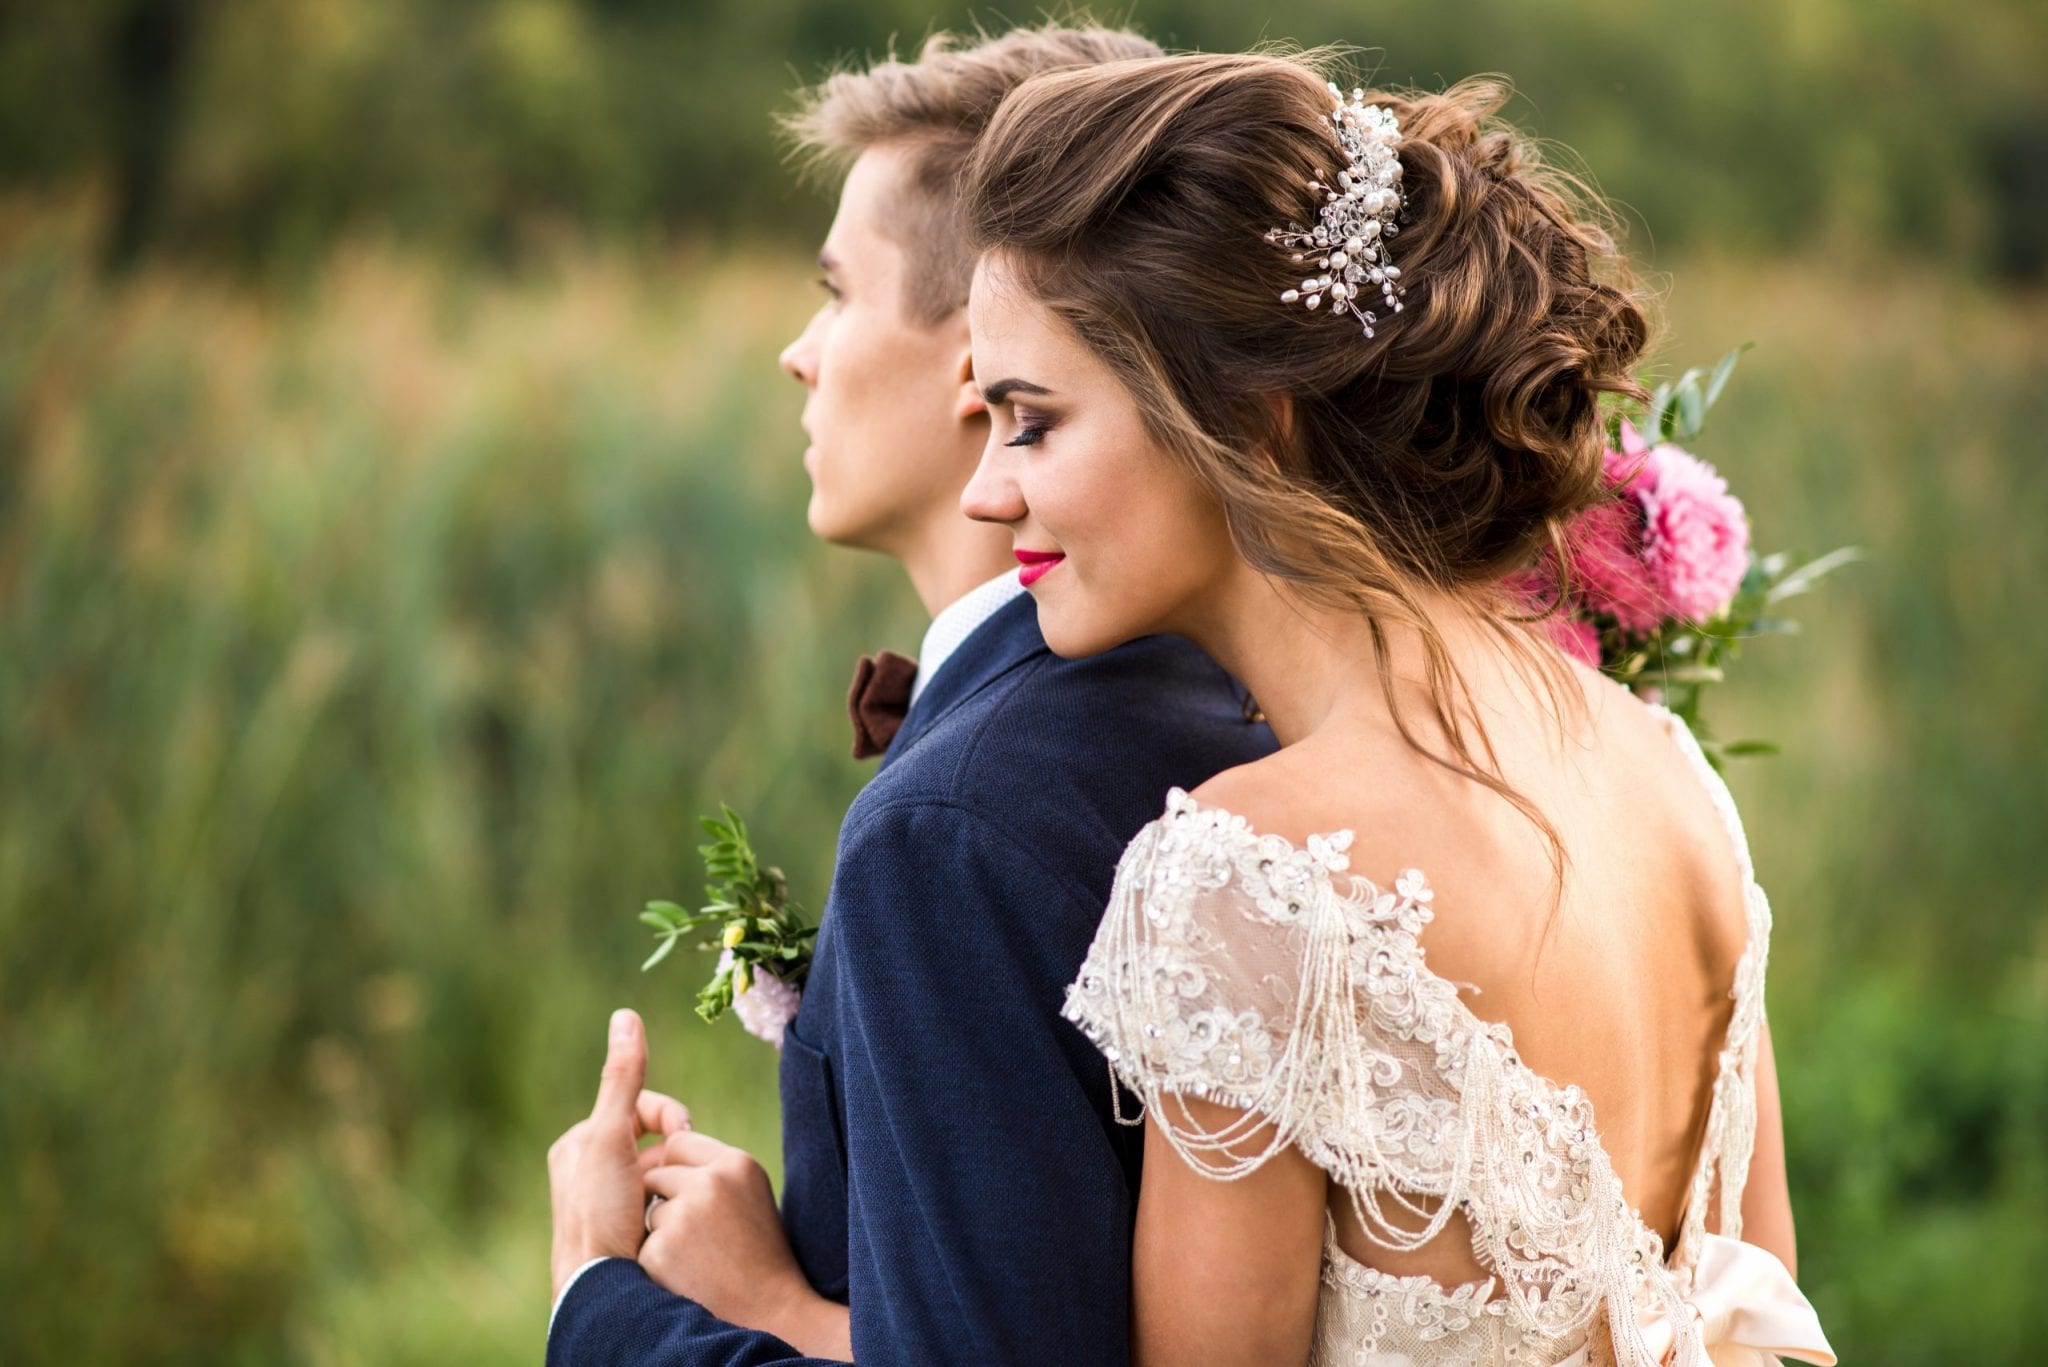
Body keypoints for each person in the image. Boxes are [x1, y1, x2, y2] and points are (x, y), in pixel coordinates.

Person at [955, 51, 1838, 1367]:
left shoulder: (1252, 885)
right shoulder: (1672, 779)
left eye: (1031, 422)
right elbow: (1754, 1299)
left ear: (1249, 419)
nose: (986, 493)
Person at [543, 26, 1274, 1366]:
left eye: (836, 291)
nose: (798, 354)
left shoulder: (955, 821)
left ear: (974, 365)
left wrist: (608, 1303)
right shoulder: (1247, 705)